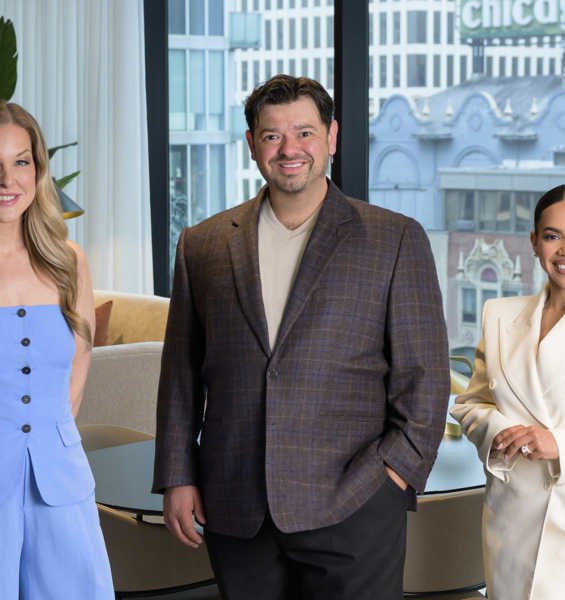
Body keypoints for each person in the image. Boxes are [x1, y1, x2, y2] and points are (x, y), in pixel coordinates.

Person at [153, 75, 449, 600]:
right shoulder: (201, 245)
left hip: (355, 504)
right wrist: (177, 475)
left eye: (305, 133)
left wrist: (392, 477)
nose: (289, 149)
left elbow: (424, 379)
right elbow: (180, 376)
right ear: (252, 144)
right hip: (236, 506)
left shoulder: (395, 238)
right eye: (272, 136)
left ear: (331, 137)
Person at [450, 184, 565, 600]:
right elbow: (471, 403)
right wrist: (499, 431)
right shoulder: (500, 315)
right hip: (511, 524)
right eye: (553, 236)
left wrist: (560, 444)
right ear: (534, 243)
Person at [0, 101, 113, 599]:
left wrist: (48, 441)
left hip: (60, 482)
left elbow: (79, 363)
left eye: (20, 162)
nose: (8, 180)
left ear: (38, 168)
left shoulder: (67, 260)